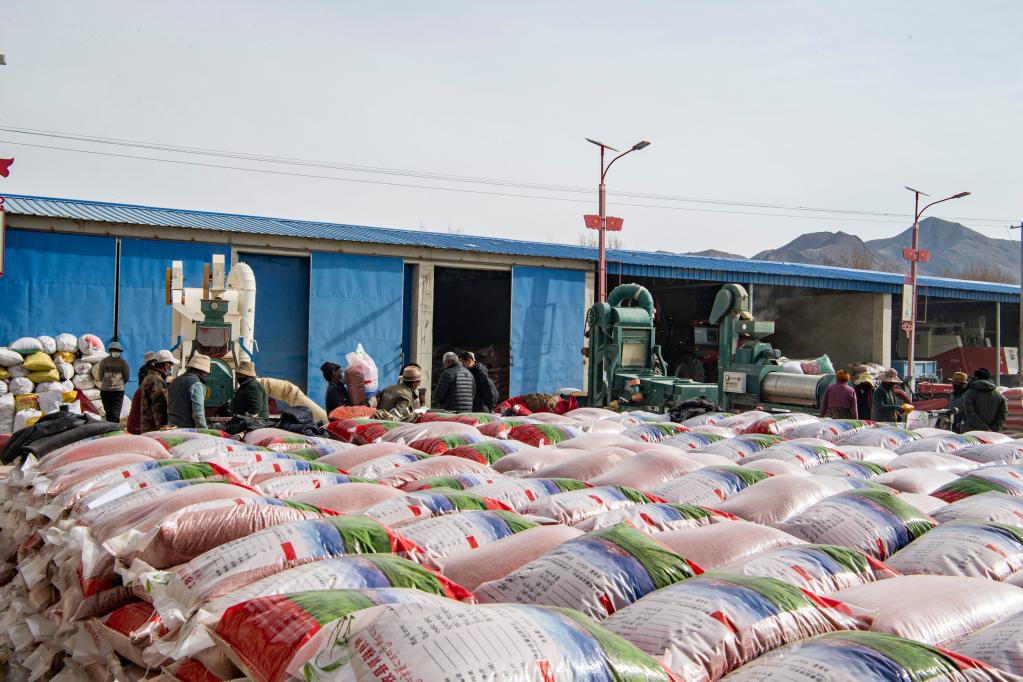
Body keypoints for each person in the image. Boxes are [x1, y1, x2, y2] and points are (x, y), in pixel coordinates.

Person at [168, 353, 210, 429]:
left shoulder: (176, 381)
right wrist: (205, 431)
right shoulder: (196, 384)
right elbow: (198, 414)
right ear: (202, 372)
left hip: (171, 427)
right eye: (206, 373)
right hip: (186, 429)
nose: (206, 376)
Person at [139, 350, 176, 433]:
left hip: (147, 428)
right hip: (154, 430)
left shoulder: (149, 377)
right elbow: (159, 409)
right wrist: (163, 429)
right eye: (172, 364)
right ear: (166, 365)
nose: (171, 367)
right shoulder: (157, 380)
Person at [962, 368, 1008, 433]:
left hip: (972, 433)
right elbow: (1003, 414)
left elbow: (969, 413)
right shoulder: (999, 395)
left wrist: (985, 429)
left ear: (976, 377)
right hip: (992, 435)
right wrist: (994, 429)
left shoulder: (969, 393)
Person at [96, 341, 130, 423]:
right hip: (105, 391)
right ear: (110, 351)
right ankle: (109, 429)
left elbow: (126, 376)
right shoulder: (104, 361)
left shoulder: (123, 363)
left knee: (115, 414)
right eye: (114, 350)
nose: (116, 352)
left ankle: (115, 428)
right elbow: (100, 375)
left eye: (118, 351)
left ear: (120, 351)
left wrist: (119, 384)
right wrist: (106, 383)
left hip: (118, 391)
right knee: (108, 412)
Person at [126, 351, 156, 434]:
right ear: (148, 361)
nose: (153, 362)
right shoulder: (144, 369)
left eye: (154, 360)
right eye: (151, 361)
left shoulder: (155, 369)